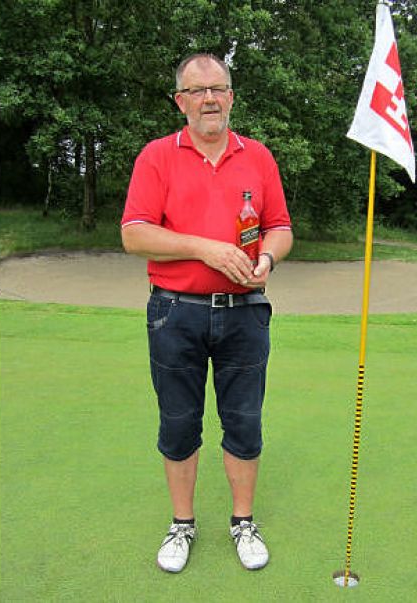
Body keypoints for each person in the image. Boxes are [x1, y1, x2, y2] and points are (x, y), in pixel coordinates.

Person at [120, 52, 293, 574]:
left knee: (243, 421)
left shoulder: (258, 156)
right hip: (175, 312)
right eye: (197, 91)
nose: (210, 99)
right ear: (181, 101)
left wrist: (266, 256)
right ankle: (183, 524)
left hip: (245, 312)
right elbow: (134, 233)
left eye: (218, 88)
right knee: (178, 422)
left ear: (232, 96)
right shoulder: (157, 156)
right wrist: (204, 248)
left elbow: (280, 227)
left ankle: (243, 521)